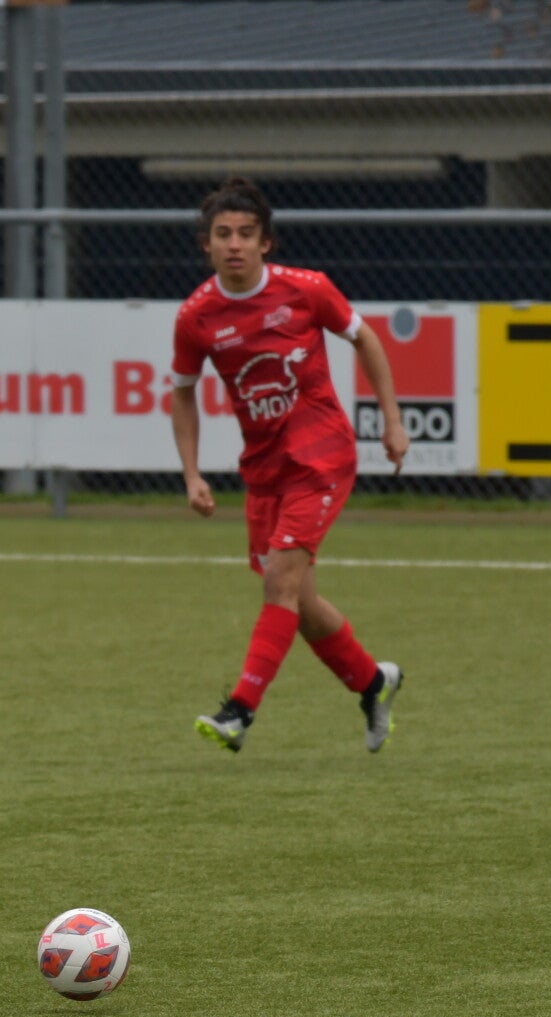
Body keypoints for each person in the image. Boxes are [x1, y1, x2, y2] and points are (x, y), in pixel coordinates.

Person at [170, 177, 409, 754]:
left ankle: (239, 711)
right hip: (265, 468)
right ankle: (373, 683)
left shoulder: (306, 290)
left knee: (279, 580)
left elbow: (366, 339)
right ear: (206, 244)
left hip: (322, 455)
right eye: (223, 234)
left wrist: (392, 420)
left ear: (265, 243)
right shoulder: (197, 316)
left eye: (245, 234)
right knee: (298, 602)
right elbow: (182, 391)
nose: (234, 244)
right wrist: (192, 474)